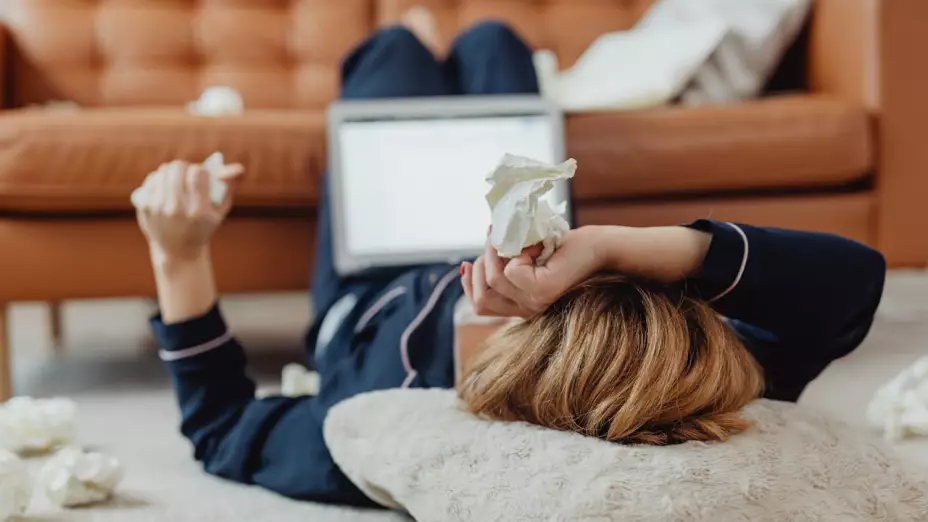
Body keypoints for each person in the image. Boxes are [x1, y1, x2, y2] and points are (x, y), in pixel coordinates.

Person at [135, 21, 887, 508]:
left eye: (502, 326)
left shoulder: (389, 422)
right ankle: (502, 70)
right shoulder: (691, 373)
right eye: (591, 287)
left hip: (374, 283)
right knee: (495, 39)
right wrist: (605, 245)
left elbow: (224, 429)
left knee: (391, 47)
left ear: (491, 386)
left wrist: (179, 255)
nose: (496, 296)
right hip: (517, 216)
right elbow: (852, 279)